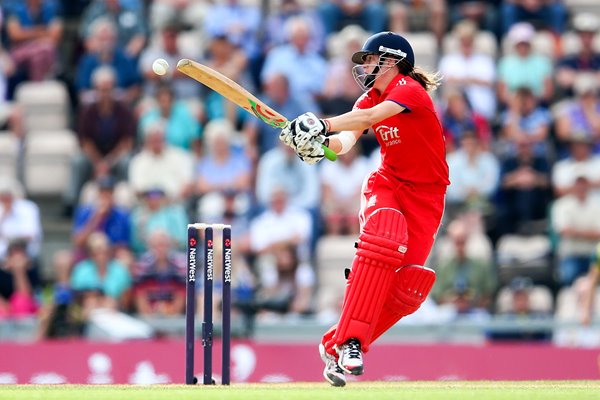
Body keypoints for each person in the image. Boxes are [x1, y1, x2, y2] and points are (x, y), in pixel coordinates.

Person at [279, 32, 448, 386]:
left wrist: (321, 125)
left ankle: (336, 343)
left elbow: (369, 116)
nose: (366, 66)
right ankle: (352, 342)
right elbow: (345, 142)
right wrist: (320, 144)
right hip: (387, 183)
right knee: (384, 235)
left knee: (407, 288)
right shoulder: (369, 97)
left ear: (392, 60)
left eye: (371, 59)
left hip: (428, 198)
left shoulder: (408, 90)